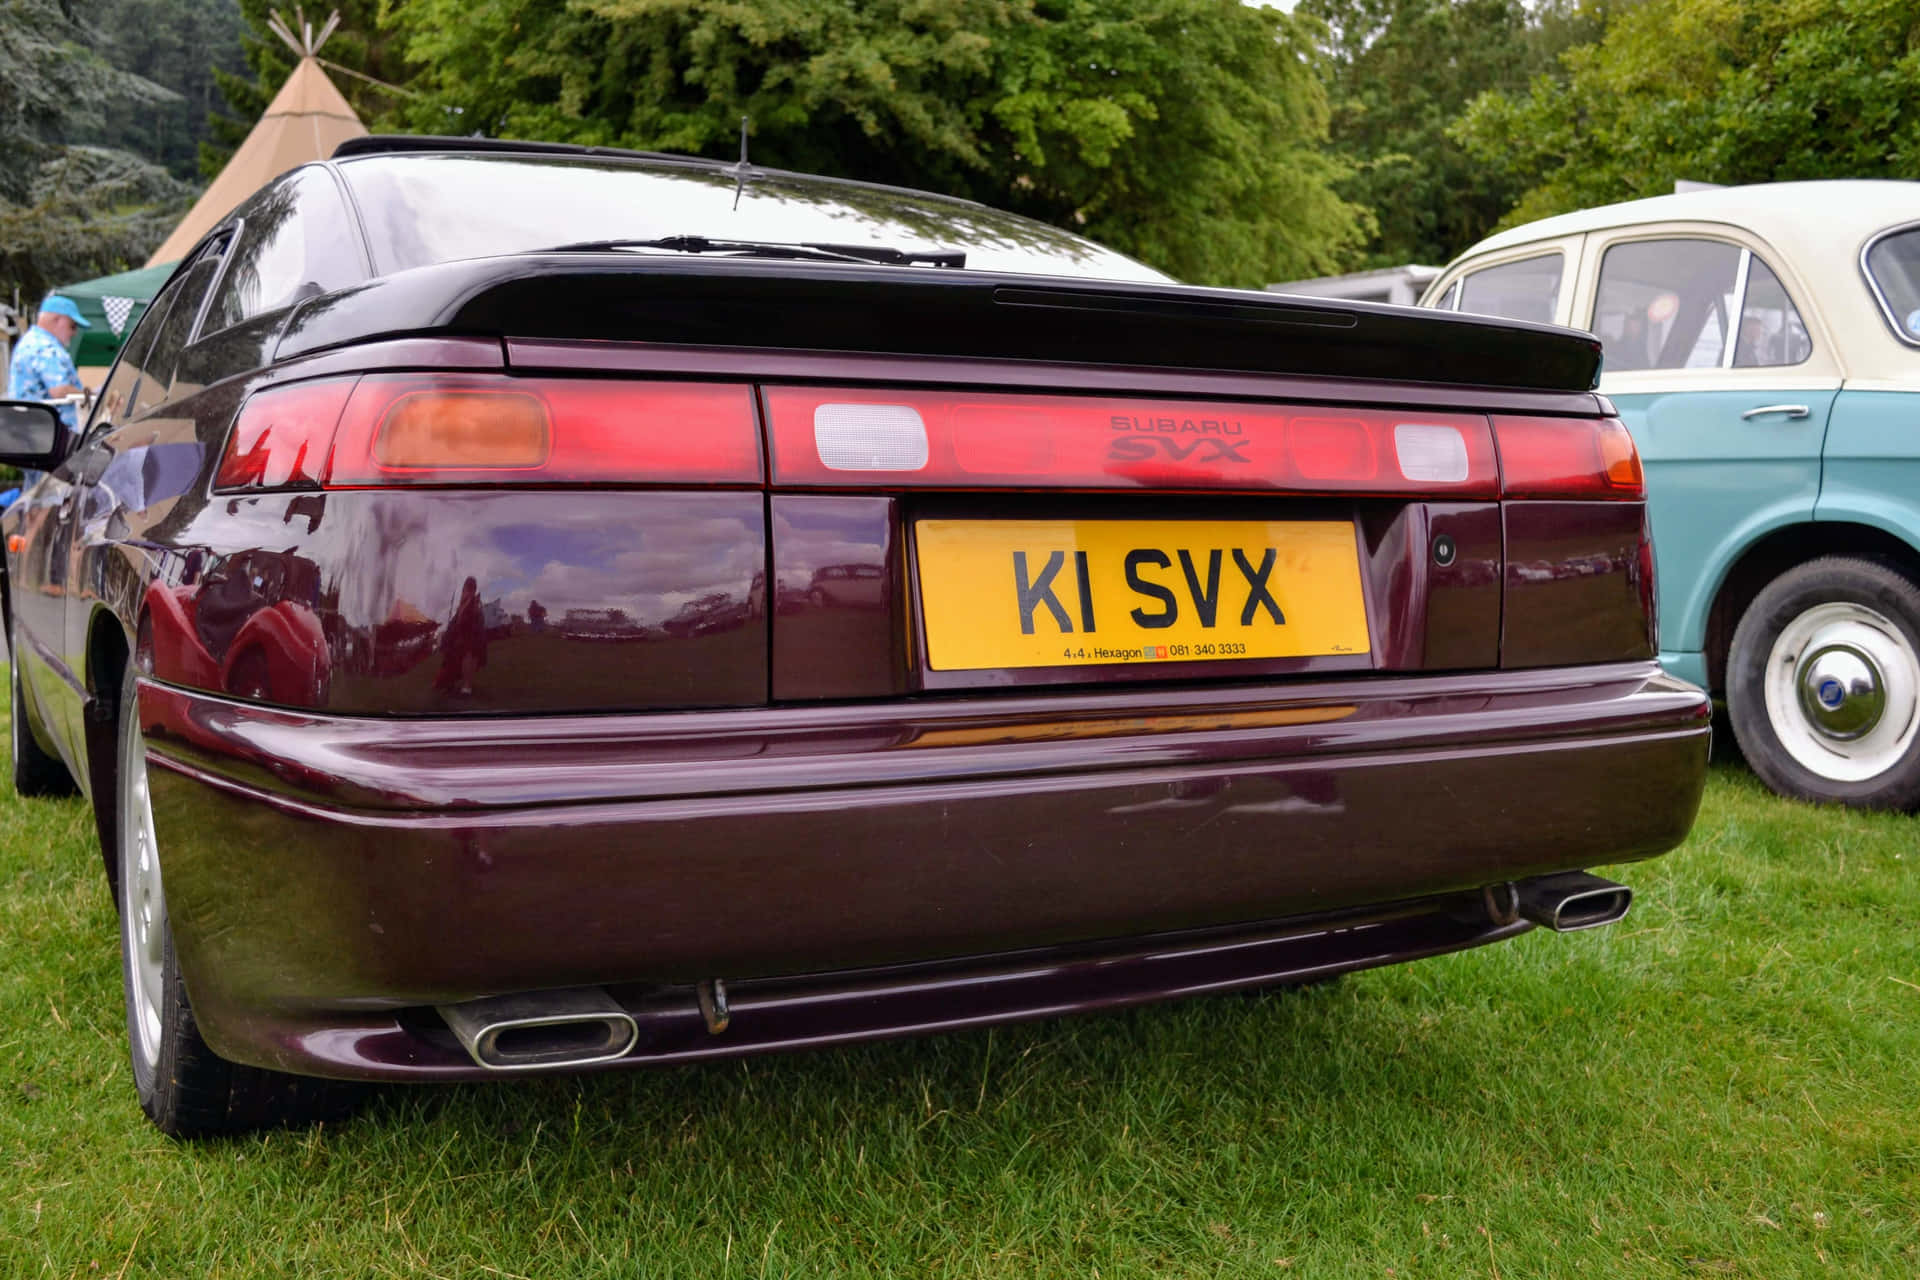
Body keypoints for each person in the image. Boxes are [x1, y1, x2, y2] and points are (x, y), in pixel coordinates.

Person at [7, 295, 90, 488]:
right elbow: (60, 391)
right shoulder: (45, 347)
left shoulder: (31, 342)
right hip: (50, 443)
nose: (74, 333)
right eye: (72, 326)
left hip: (36, 441)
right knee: (48, 504)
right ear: (57, 320)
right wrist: (91, 396)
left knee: (37, 500)